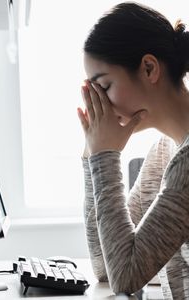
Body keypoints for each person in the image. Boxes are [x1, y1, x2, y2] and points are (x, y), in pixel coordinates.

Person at [77, 2, 189, 299]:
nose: (100, 103)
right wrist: (93, 153)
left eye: (105, 85)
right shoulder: (164, 152)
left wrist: (105, 157)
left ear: (149, 68)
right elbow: (106, 263)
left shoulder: (187, 165)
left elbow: (124, 277)